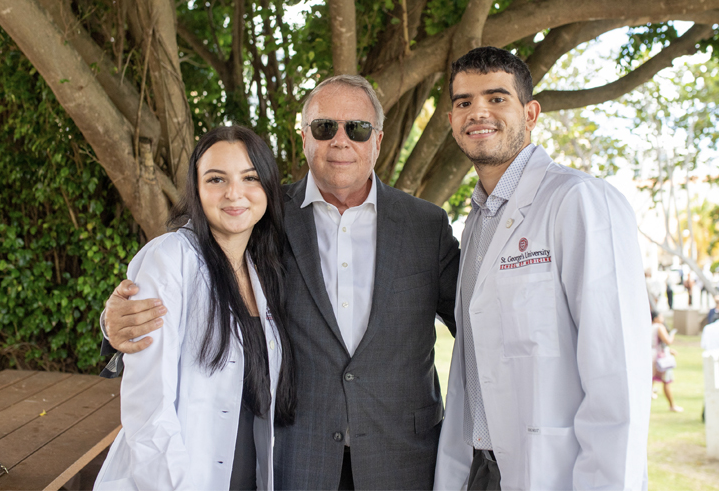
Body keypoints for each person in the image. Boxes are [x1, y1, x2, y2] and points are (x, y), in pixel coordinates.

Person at [101, 75, 460, 489]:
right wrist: (113, 323)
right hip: (297, 460)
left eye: (358, 129)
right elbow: (196, 266)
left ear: (377, 140)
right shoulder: (265, 217)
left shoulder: (425, 226)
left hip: (402, 459)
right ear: (305, 138)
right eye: (324, 127)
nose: (340, 141)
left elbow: (477, 319)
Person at [434, 47, 650, 490]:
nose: (478, 112)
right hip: (480, 470)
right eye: (464, 102)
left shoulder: (580, 201)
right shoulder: (476, 222)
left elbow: (618, 376)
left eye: (497, 98)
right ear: (452, 120)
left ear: (530, 113)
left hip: (555, 471)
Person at [94, 126, 296, 490]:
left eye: (250, 178)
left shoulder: (265, 269)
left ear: (268, 187)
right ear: (196, 189)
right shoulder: (169, 259)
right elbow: (148, 409)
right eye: (216, 179)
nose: (234, 193)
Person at [651, 311, 682, 413]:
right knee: (666, 381)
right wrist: (672, 335)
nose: (662, 318)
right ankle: (672, 405)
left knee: (650, 380)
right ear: (656, 318)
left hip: (651, 355)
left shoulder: (649, 327)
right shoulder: (659, 327)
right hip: (660, 357)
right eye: (661, 316)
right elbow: (668, 341)